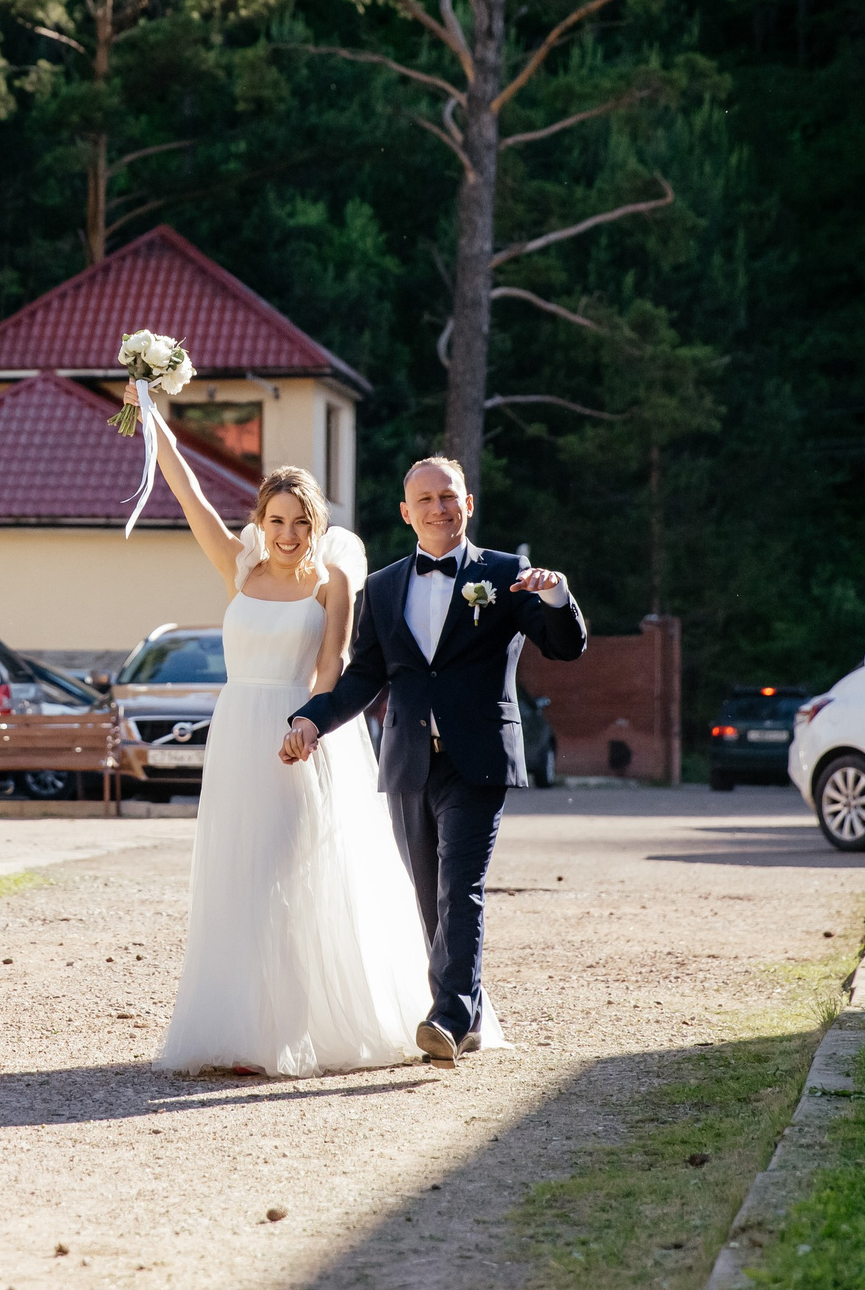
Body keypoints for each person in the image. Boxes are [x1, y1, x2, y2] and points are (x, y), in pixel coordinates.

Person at [132, 381, 429, 1077]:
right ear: (260, 522)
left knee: (288, 874)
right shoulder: (239, 569)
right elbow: (188, 493)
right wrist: (150, 409)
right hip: (236, 734)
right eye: (277, 520)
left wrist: (308, 726)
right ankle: (242, 1029)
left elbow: (333, 666)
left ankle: (296, 1029)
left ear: (316, 524)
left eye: (300, 521)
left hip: (297, 734)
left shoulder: (332, 581)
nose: (288, 534)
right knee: (238, 877)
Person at [288, 455, 585, 1064]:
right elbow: (364, 676)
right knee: (428, 895)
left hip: (477, 759)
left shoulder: (507, 574)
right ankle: (467, 1010)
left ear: (467, 503)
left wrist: (557, 596)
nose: (438, 508)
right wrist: (313, 719)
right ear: (406, 513)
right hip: (407, 761)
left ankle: (447, 1015)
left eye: (448, 497)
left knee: (460, 889)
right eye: (424, 500)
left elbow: (566, 646)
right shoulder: (385, 586)